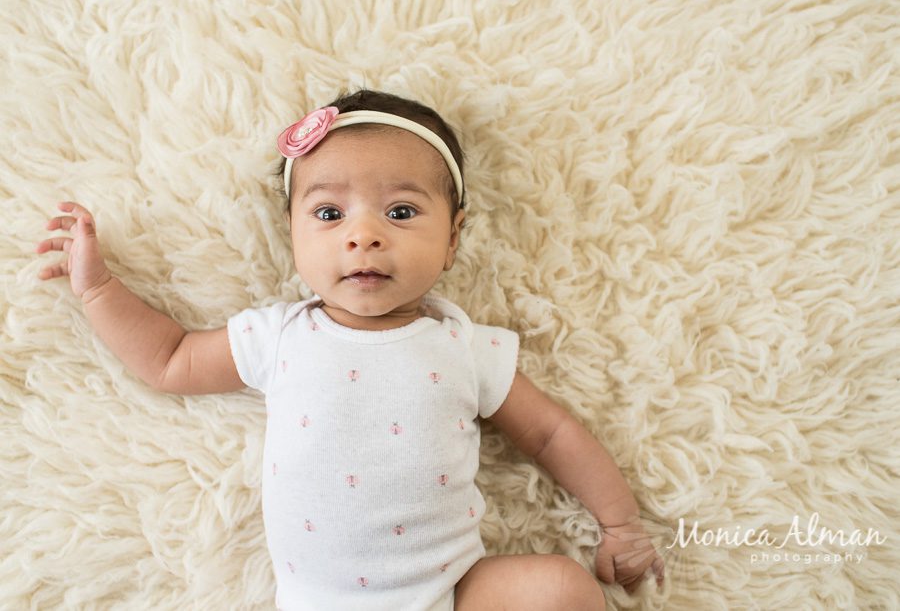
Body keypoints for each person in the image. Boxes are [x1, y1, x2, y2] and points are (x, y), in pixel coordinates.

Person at [36, 89, 664, 610]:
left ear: (452, 238)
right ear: (293, 235)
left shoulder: (462, 345)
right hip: (320, 600)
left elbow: (553, 434)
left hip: (453, 592)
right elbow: (168, 359)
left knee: (562, 589)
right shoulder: (280, 336)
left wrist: (620, 523)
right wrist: (97, 288)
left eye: (400, 210)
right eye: (331, 213)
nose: (364, 235)